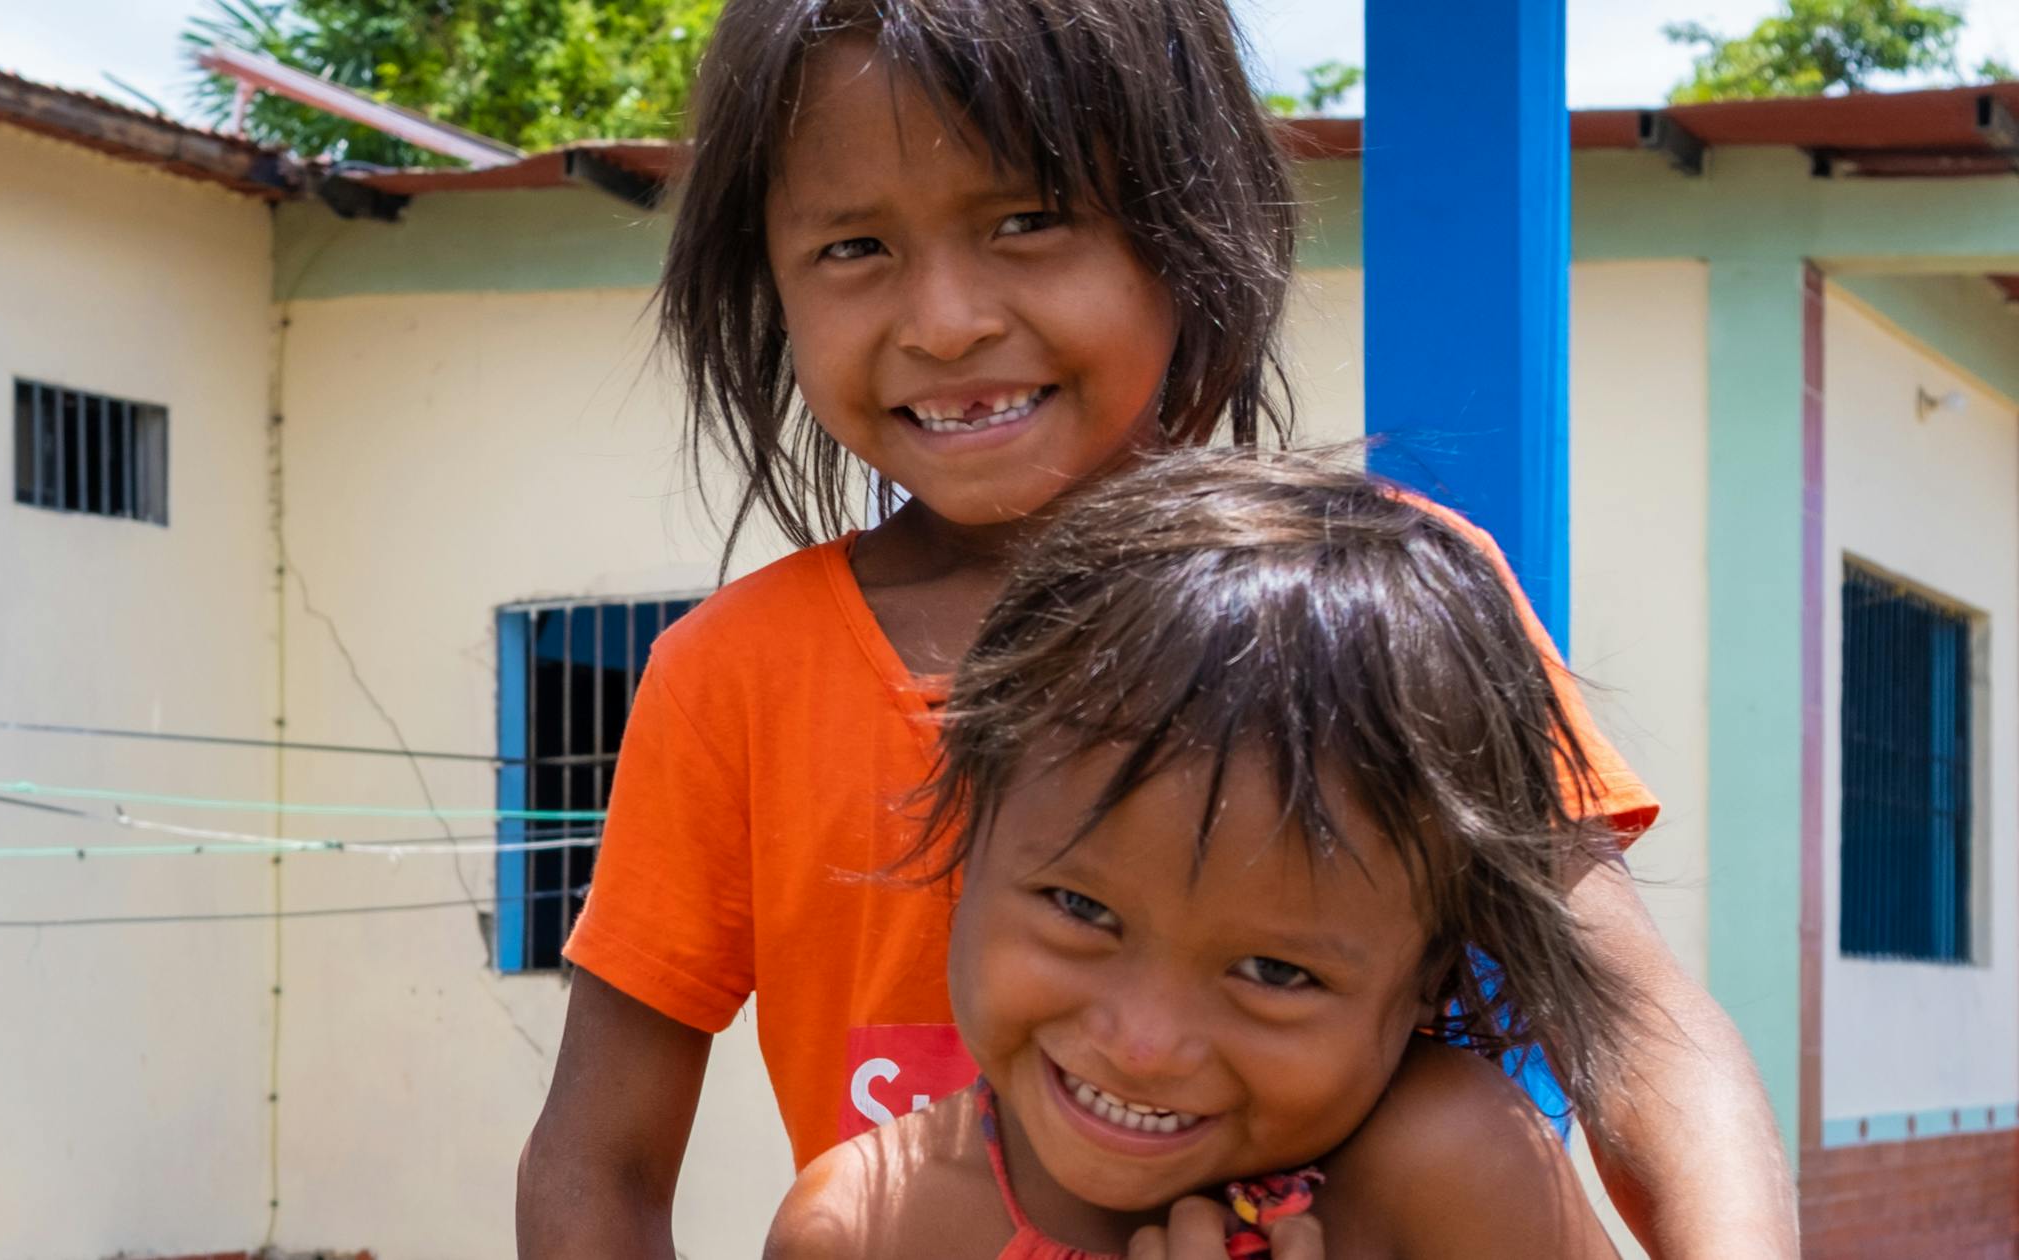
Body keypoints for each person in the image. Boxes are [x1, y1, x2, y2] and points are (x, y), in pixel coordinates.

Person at [513, 0, 1796, 1254]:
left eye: (1028, 221)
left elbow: (1635, 1027)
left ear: (1190, 230)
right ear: (770, 279)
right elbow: (597, 1166)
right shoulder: (734, 675)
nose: (946, 318)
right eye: (855, 248)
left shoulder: (1380, 606)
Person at [764, 446, 1630, 1259]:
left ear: (1430, 975)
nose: (1145, 1044)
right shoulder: (866, 1226)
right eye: (1082, 909)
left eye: (1275, 972)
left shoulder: (1451, 1171)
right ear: (970, 833)